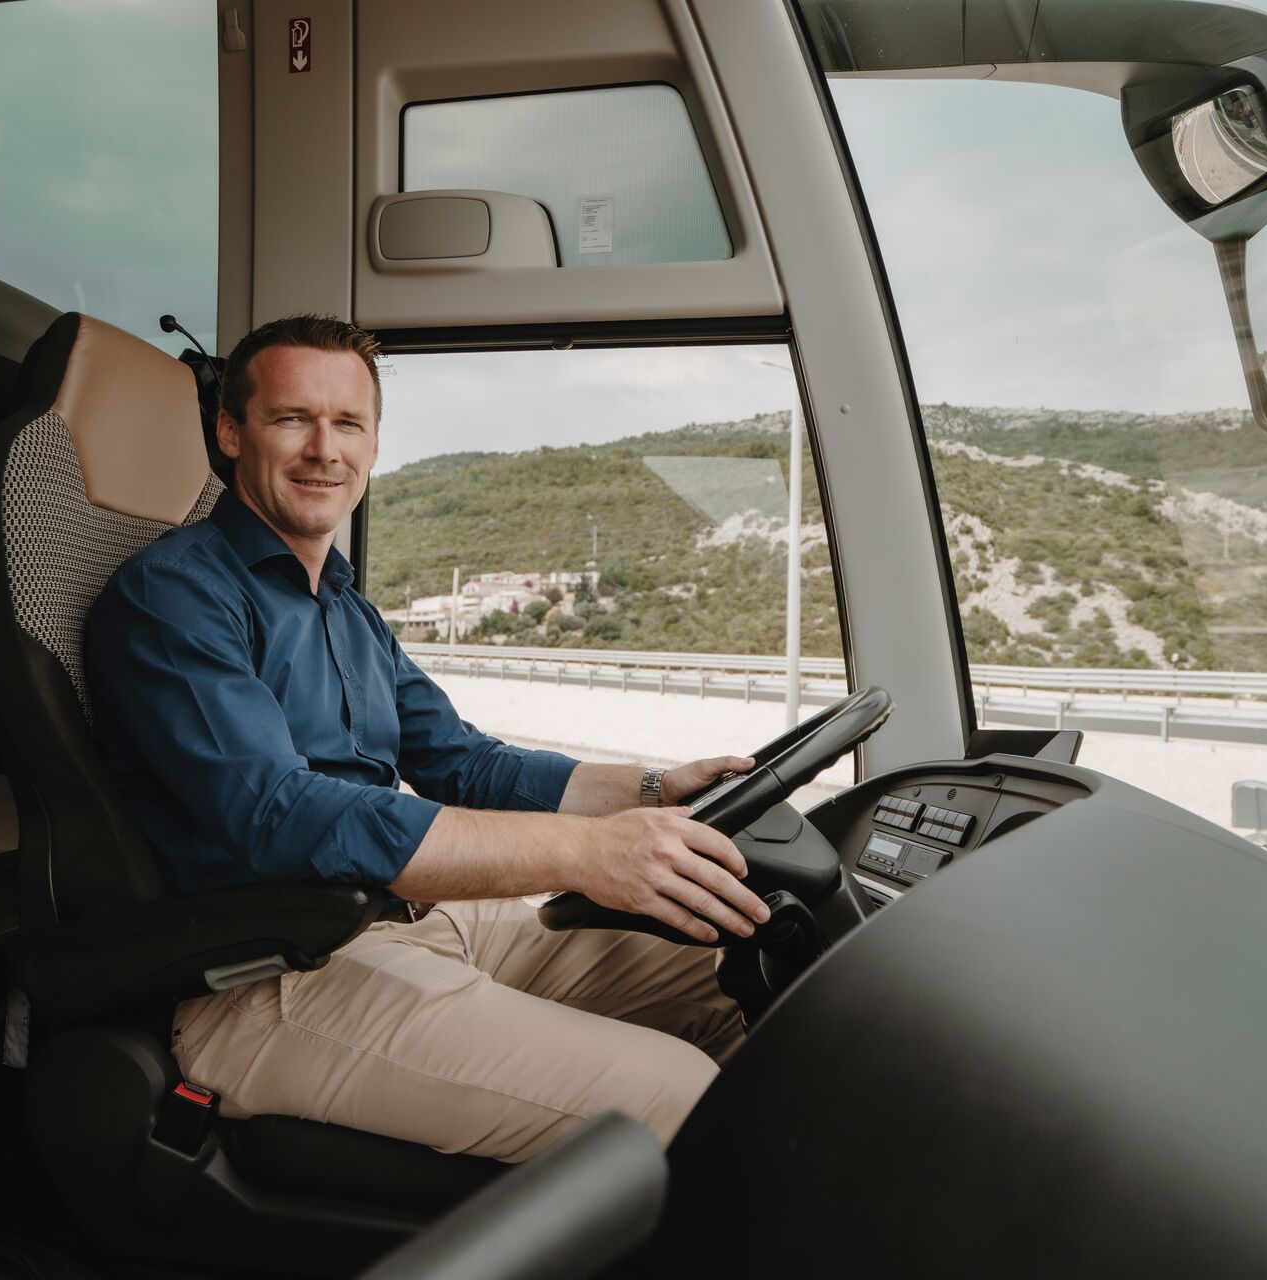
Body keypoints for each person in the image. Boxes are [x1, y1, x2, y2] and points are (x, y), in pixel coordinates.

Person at [87, 314, 769, 1163]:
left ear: (372, 446)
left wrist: (656, 791)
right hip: (270, 973)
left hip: (428, 924)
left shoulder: (346, 607)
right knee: (679, 1097)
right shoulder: (173, 596)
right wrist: (588, 854)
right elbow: (281, 815)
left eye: (348, 424)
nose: (322, 450)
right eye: (291, 418)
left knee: (760, 982)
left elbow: (463, 761)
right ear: (231, 433)